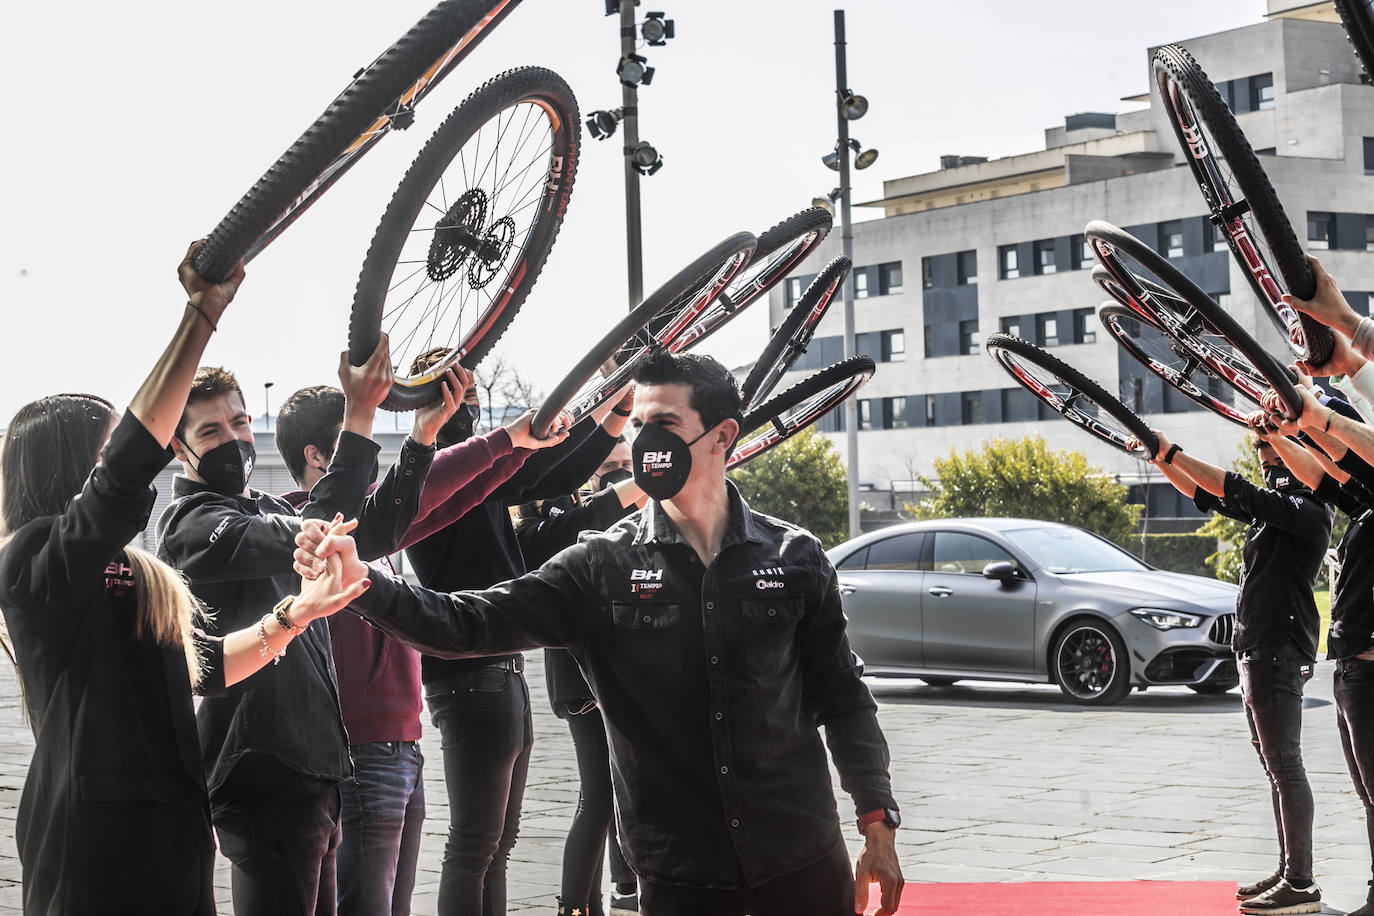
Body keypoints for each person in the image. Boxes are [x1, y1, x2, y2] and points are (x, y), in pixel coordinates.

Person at [299, 351, 905, 916]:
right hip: (680, 875)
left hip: (802, 856)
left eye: (665, 422)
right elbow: (468, 622)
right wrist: (364, 583)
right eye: (638, 424)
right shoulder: (600, 567)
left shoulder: (795, 556)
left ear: (723, 436)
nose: (646, 441)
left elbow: (844, 696)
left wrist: (877, 822)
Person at [0, 242, 368, 914]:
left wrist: (299, 616)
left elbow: (200, 665)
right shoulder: (29, 564)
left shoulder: (135, 572)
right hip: (93, 847)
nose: (140, 459)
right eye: (113, 447)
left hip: (174, 829)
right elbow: (124, 475)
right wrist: (201, 313)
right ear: (67, 467)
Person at [273, 370, 571, 916]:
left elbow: (451, 496)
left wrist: (518, 446)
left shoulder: (367, 525)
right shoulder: (304, 530)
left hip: (401, 742)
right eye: (353, 437)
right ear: (320, 457)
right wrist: (507, 440)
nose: (369, 452)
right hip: (361, 748)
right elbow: (434, 486)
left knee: (401, 898)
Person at [157, 336, 430, 915]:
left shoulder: (261, 506)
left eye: (237, 422)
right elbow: (312, 528)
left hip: (316, 766)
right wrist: (358, 417)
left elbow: (373, 531)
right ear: (178, 447)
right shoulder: (191, 522)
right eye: (210, 432)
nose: (233, 440)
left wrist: (422, 439)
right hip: (262, 769)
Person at [402, 352, 630, 916]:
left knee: (498, 844)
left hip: (501, 669)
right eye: (457, 395)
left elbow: (551, 472)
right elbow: (541, 472)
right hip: (470, 675)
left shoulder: (480, 480)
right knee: (475, 844)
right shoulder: (434, 477)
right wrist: (604, 422)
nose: (471, 406)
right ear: (430, 405)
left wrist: (610, 423)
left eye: (474, 394)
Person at [1131, 423, 1332, 915]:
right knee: (1275, 765)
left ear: (1294, 452)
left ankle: (1301, 882)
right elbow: (1209, 495)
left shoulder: (1308, 508)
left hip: (1279, 648)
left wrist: (1174, 449)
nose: (1262, 452)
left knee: (1286, 764)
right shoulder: (1276, 509)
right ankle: (1290, 870)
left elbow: (1231, 489)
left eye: (1270, 444)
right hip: (1256, 647)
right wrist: (1162, 461)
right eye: (1259, 445)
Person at [514, 436, 646, 916]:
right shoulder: (552, 524)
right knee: (599, 798)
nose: (614, 471)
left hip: (590, 674)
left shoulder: (580, 513)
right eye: (609, 462)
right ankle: (577, 905)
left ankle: (605, 896)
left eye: (625, 462)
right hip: (581, 677)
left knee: (608, 795)